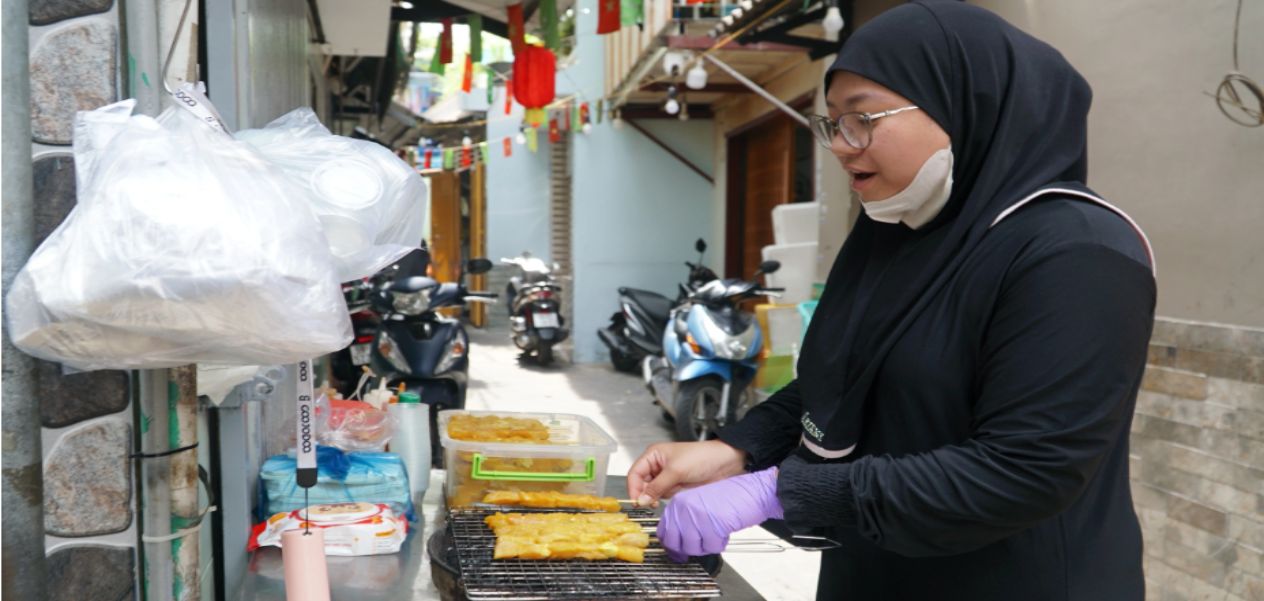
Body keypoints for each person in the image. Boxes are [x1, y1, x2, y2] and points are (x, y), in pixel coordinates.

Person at [627, 2, 1157, 600]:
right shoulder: (902, 232)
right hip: (878, 568)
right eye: (831, 124)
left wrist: (779, 492)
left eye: (861, 119)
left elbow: (1023, 472)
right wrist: (735, 450)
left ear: (964, 105)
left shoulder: (1076, 253)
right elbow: (847, 380)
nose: (841, 146)